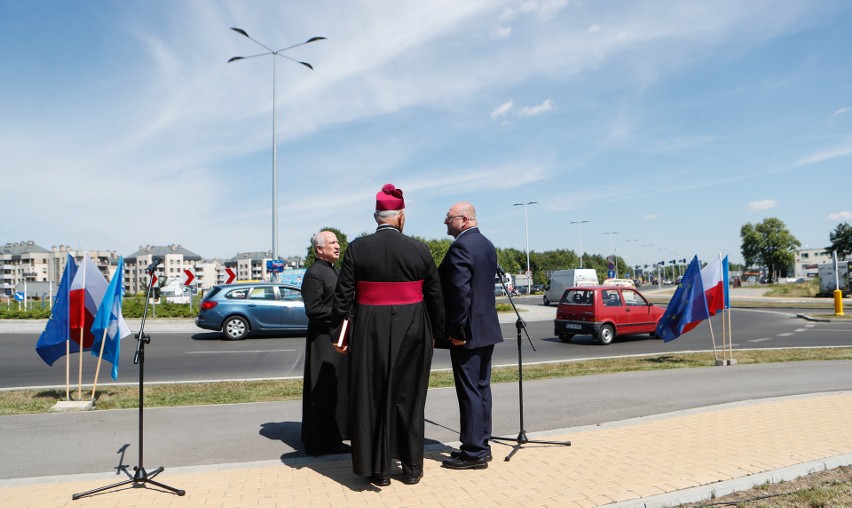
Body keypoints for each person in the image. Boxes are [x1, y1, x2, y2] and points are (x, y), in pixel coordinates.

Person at [332, 184, 444, 487]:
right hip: (414, 327)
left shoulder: (357, 248)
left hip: (369, 328)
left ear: (376, 217)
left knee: (371, 396)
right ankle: (411, 468)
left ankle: (378, 470)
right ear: (401, 217)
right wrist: (437, 332)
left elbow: (342, 299)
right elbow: (435, 296)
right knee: (410, 397)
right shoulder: (420, 249)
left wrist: (338, 335)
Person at [437, 201, 503, 470]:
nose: (445, 221)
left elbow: (460, 294)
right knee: (482, 388)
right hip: (486, 330)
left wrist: (457, 331)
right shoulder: (487, 244)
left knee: (469, 392)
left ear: (464, 220)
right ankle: (482, 444)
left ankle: (473, 452)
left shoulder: (462, 247)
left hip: (469, 334)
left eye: (449, 217)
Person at [301, 230, 349, 455]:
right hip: (322, 340)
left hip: (335, 337)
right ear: (320, 249)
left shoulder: (331, 270)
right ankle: (321, 442)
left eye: (337, 242)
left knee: (335, 388)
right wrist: (342, 312)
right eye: (332, 243)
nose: (337, 246)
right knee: (323, 391)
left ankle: (334, 435)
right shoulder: (314, 274)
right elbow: (314, 309)